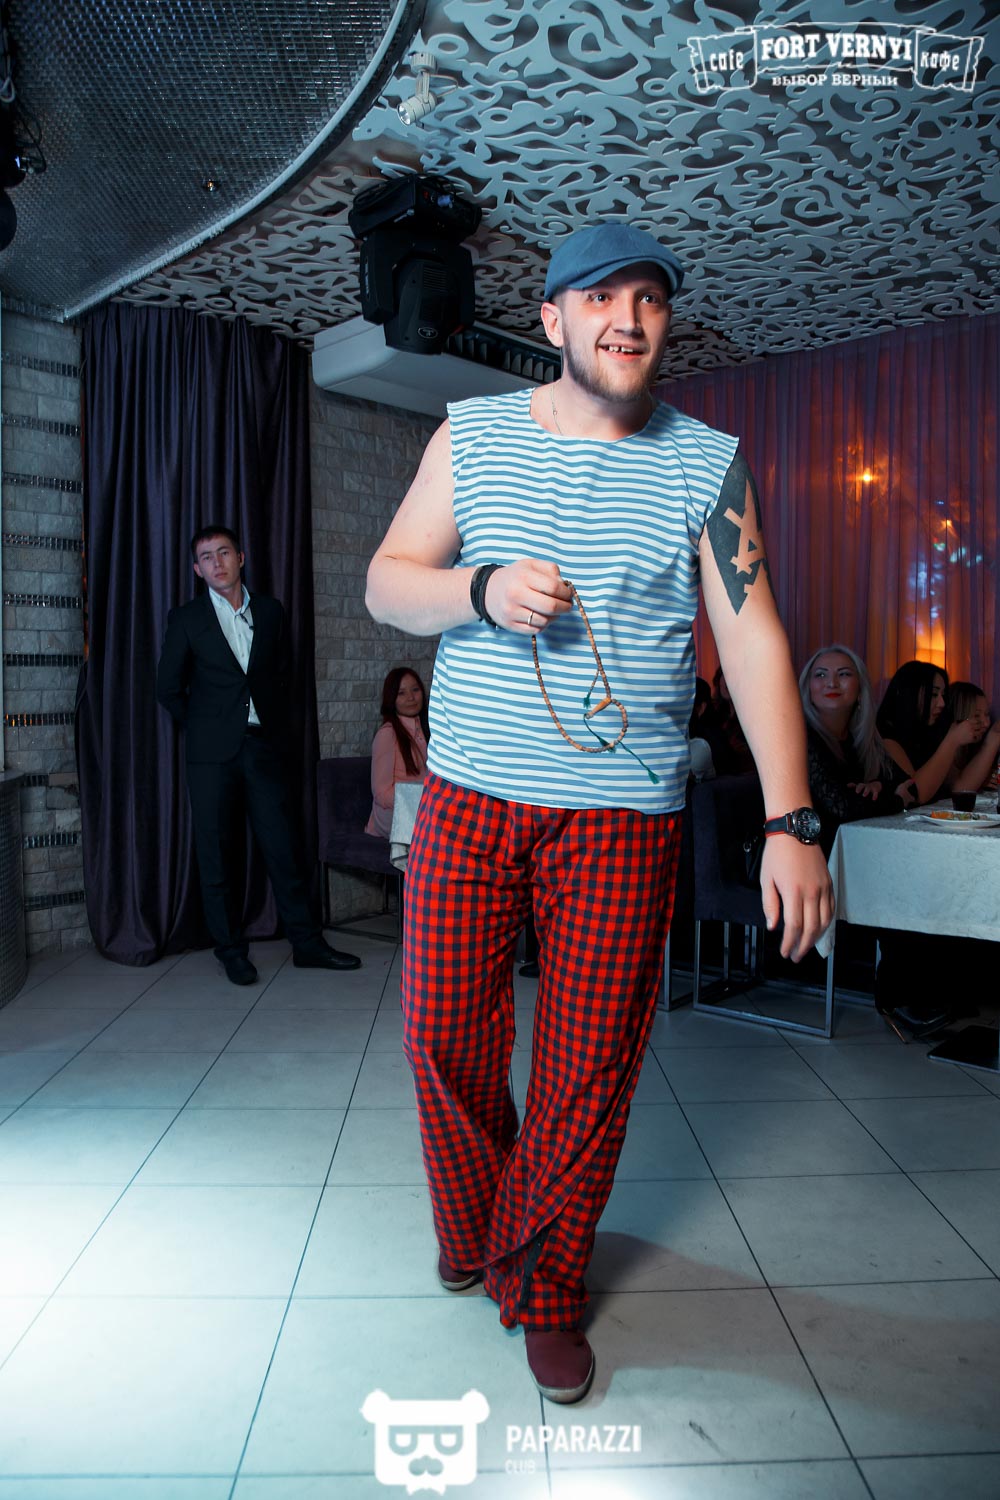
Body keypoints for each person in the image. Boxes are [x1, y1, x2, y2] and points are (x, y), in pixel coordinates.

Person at [365, 223, 832, 1404]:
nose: (627, 318)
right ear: (553, 317)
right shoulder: (471, 435)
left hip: (621, 817)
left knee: (589, 1071)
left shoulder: (706, 463)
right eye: (599, 297)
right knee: (441, 1040)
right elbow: (387, 583)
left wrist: (792, 821)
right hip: (468, 798)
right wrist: (477, 588)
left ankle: (545, 1286)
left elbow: (751, 637)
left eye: (648, 300)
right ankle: (478, 1229)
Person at [157, 524, 360, 984]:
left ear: (241, 558)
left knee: (283, 847)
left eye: (223, 552)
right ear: (197, 570)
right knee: (216, 853)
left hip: (262, 748)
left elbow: (281, 676)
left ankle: (307, 944)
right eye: (206, 557)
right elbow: (167, 688)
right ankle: (231, 951)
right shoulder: (186, 619)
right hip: (211, 756)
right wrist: (207, 728)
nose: (217, 563)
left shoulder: (270, 611)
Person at [799, 644, 914, 855]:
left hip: (855, 851)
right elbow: (841, 807)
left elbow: (910, 787)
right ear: (808, 689)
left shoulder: (861, 739)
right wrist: (895, 800)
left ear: (860, 689)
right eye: (821, 675)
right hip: (808, 857)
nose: (832, 683)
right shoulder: (802, 737)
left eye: (843, 674)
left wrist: (878, 785)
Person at [876, 660, 978, 804]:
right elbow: (915, 793)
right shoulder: (885, 734)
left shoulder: (929, 732)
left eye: (943, 695)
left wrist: (993, 737)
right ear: (909, 694)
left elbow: (960, 787)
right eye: (934, 694)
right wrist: (952, 740)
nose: (942, 703)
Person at [365, 667, 430, 838]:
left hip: (422, 808)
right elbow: (381, 794)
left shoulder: (428, 729)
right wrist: (415, 798)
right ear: (391, 699)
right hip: (394, 813)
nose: (411, 698)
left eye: (415, 690)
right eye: (401, 693)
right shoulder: (387, 734)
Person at [943, 681, 1000, 793]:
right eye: (976, 715)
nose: (986, 723)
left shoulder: (975, 746)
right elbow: (960, 789)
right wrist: (994, 737)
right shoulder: (943, 747)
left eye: (987, 714)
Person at [710, 664, 754, 773]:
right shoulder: (713, 715)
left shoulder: (753, 718)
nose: (728, 681)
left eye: (734, 675)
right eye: (724, 674)